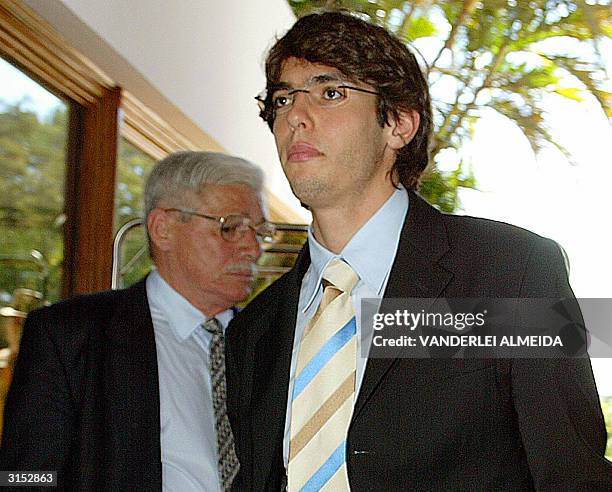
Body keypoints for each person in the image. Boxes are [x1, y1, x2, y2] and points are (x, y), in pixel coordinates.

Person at [225, 10, 612, 491]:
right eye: (282, 99)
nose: (295, 118)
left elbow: (572, 473)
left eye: (331, 93)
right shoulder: (254, 330)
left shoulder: (513, 272)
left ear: (399, 124)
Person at [0, 151, 275, 491]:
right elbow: (22, 478)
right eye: (231, 227)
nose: (252, 247)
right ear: (163, 229)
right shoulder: (70, 334)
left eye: (260, 232)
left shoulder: (270, 343)